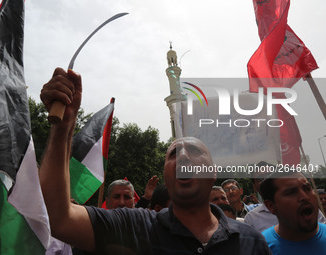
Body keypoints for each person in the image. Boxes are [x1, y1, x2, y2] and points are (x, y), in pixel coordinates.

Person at [39, 68, 271, 254]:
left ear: (212, 174)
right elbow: (58, 218)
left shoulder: (251, 241)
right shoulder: (134, 227)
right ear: (166, 178)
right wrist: (64, 126)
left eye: (194, 150)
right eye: (173, 154)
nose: (183, 157)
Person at [260, 171, 326, 254]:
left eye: (307, 189)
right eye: (291, 193)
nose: (304, 197)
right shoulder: (260, 247)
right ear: (271, 206)